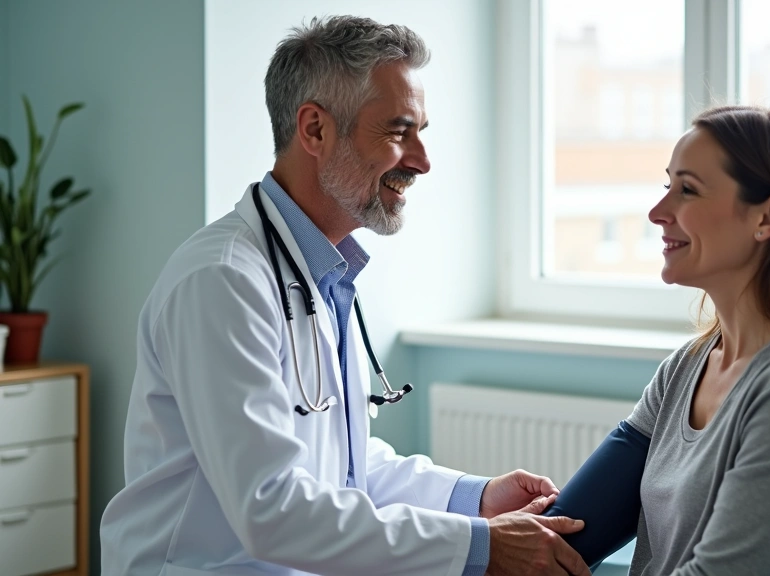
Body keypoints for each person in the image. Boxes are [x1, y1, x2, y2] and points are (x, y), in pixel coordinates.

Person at [99, 16, 589, 576]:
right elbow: (273, 508)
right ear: (314, 130)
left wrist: (474, 500)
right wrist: (482, 546)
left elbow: (344, 470)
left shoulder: (321, 275)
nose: (423, 160)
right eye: (399, 130)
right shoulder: (224, 281)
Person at [543, 105, 770, 576]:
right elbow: (561, 535)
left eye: (687, 190)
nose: (657, 213)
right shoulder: (688, 366)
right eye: (666, 186)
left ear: (768, 216)